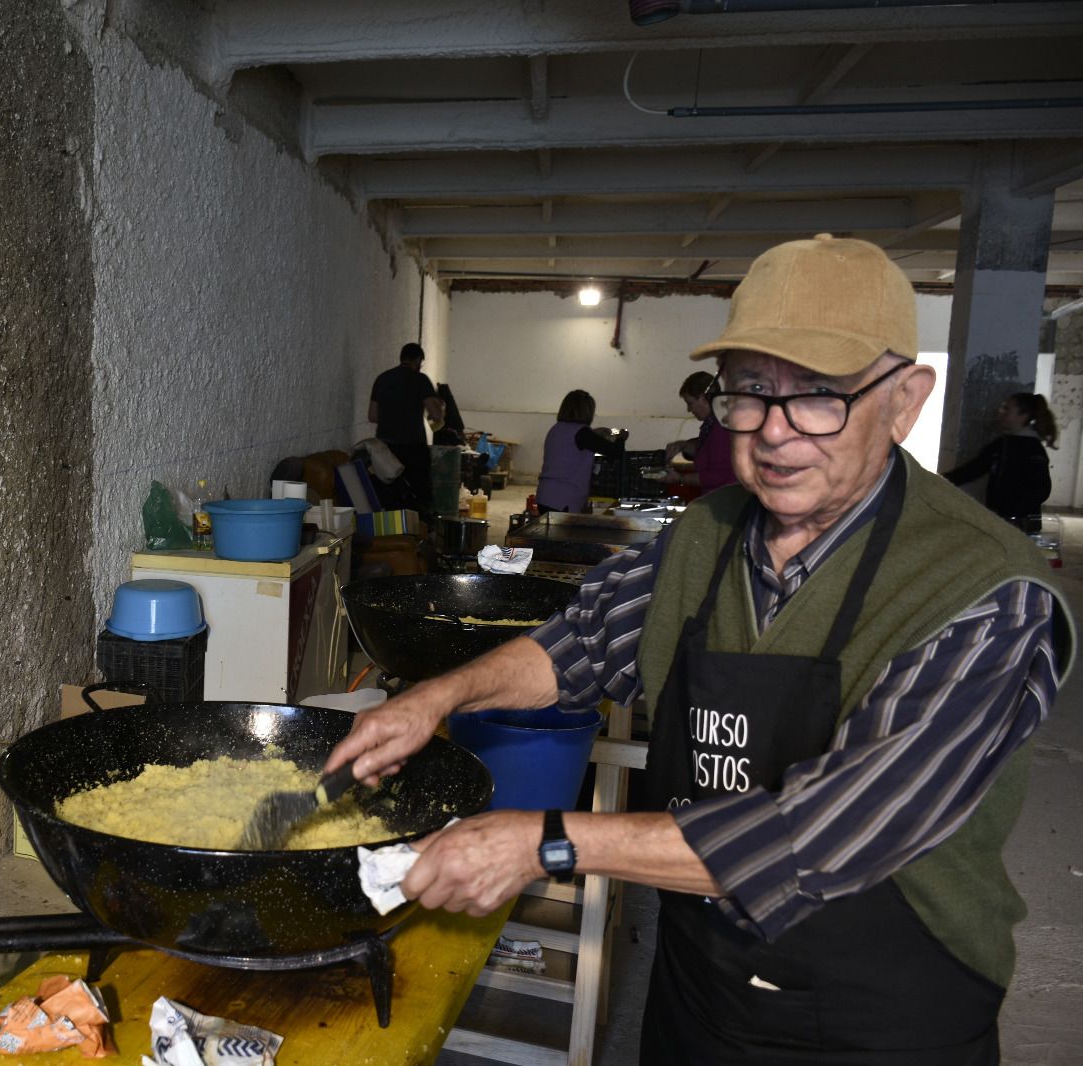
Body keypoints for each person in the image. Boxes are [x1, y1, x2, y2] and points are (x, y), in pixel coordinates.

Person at [327, 234, 1073, 1065]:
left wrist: (543, 841)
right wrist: (435, 699)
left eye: (820, 396)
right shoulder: (709, 533)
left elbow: (827, 833)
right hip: (701, 987)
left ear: (904, 401)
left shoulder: (984, 588)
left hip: (882, 1017)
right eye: (750, 391)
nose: (776, 433)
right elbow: (577, 645)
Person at [944, 392, 1057, 530]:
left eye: (1007, 409)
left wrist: (1013, 512)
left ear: (1023, 416)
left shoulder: (1030, 449)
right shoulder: (1003, 445)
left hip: (1018, 524)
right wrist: (939, 480)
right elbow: (973, 469)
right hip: (1006, 521)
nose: (1000, 412)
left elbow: (1041, 489)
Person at [368, 342, 444, 513]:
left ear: (401, 357)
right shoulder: (420, 379)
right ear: (418, 360)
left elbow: (372, 416)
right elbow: (436, 415)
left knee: (390, 496)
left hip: (385, 449)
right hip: (413, 448)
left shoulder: (382, 379)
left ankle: (392, 528)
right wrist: (439, 405)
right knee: (417, 498)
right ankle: (418, 527)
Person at [537, 390, 624, 513]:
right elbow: (615, 451)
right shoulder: (582, 432)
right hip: (564, 499)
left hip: (544, 496)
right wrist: (621, 437)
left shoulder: (555, 429)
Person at [663, 370, 737, 494]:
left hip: (725, 499)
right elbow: (708, 449)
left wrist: (680, 479)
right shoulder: (712, 424)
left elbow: (718, 476)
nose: (689, 409)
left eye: (690, 403)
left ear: (703, 398)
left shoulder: (721, 428)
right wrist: (683, 445)